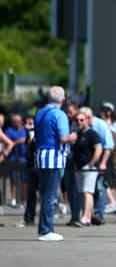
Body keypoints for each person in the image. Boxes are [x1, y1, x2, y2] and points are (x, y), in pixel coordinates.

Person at [34, 86, 75, 241]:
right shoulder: (60, 114)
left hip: (40, 156)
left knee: (46, 194)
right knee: (51, 196)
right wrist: (73, 136)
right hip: (54, 158)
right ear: (63, 100)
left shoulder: (40, 113)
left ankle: (46, 228)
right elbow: (64, 138)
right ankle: (46, 230)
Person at [72, 108, 103, 227]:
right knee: (83, 192)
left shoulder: (92, 134)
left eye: (81, 120)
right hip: (79, 167)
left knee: (87, 192)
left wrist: (91, 163)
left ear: (86, 121)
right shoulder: (77, 135)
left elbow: (98, 149)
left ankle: (85, 217)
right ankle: (88, 217)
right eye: (77, 120)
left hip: (88, 167)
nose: (79, 122)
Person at [6, 114, 28, 208]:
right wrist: (17, 142)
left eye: (20, 121)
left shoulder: (24, 130)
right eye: (17, 121)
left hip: (24, 157)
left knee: (25, 179)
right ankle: (14, 199)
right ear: (13, 122)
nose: (19, 123)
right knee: (13, 179)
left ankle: (24, 199)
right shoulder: (9, 131)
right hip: (13, 157)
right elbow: (7, 143)